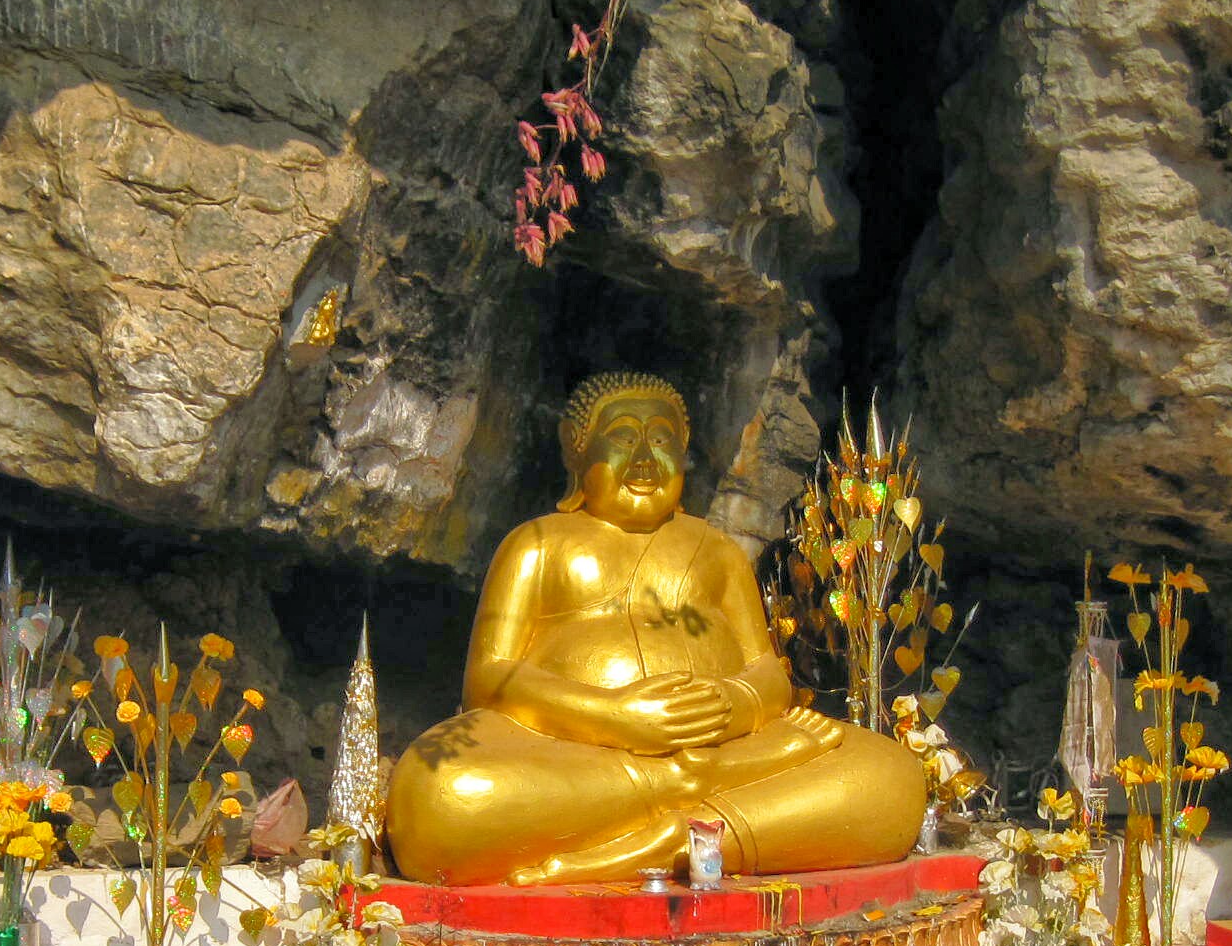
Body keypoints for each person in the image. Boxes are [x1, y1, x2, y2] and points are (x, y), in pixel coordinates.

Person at [387, 372, 925, 886]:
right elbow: (490, 678)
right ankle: (694, 789)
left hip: (727, 742)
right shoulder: (538, 544)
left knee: (891, 777)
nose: (645, 459)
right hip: (578, 753)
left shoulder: (717, 550)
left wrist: (734, 702)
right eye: (624, 438)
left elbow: (767, 672)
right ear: (578, 451)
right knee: (437, 794)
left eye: (663, 440)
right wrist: (616, 717)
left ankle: (672, 840)